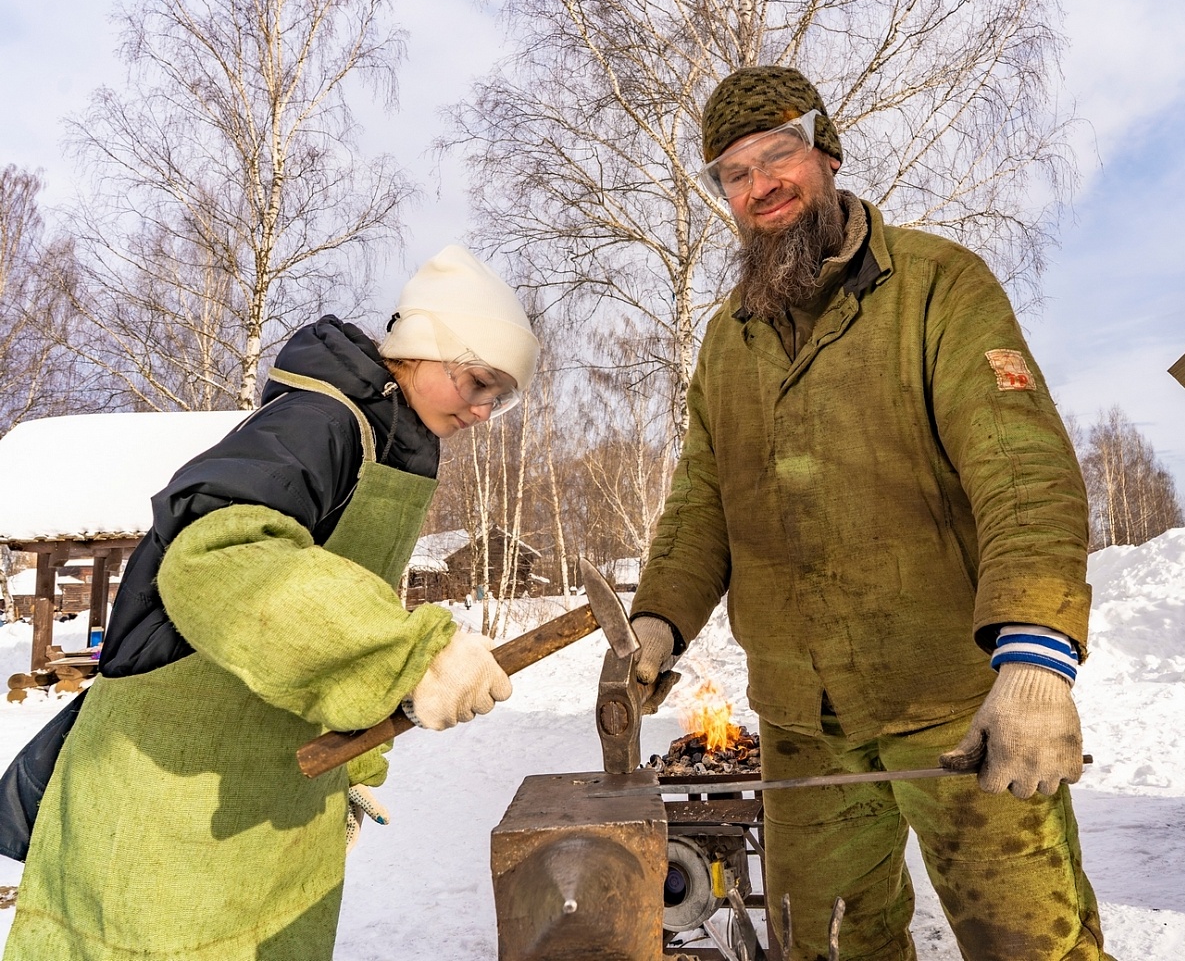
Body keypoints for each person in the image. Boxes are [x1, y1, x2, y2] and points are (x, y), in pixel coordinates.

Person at [627, 67, 1109, 961]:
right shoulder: (728, 336)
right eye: (734, 173)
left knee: (1031, 943)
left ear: (828, 153)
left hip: (953, 700)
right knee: (834, 944)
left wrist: (1036, 659)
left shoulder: (938, 288)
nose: (760, 184)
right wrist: (658, 620)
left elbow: (1024, 473)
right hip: (803, 726)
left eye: (778, 155)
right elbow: (702, 498)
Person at [0, 245, 537, 960]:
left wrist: (356, 758)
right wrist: (403, 655)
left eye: (498, 397)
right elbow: (217, 554)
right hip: (165, 796)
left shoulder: (393, 442)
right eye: (476, 381)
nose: (482, 409)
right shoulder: (321, 421)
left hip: (264, 786)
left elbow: (323, 605)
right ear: (422, 349)